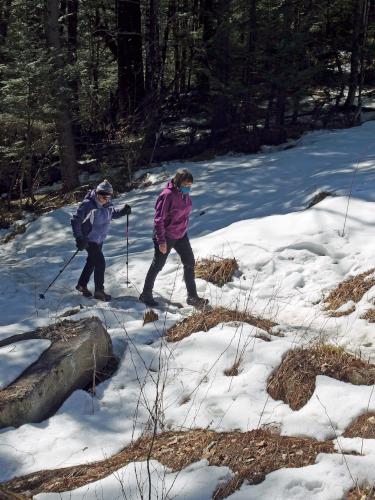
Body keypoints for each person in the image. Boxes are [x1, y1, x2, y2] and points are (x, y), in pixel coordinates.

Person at [140, 168, 208, 308]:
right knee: (158, 265)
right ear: (177, 182)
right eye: (185, 185)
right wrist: (161, 241)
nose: (188, 188)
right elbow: (158, 219)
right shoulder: (167, 195)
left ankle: (192, 297)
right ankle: (146, 294)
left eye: (190, 186)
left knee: (189, 262)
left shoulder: (185, 195)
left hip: (180, 234)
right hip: (165, 235)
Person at [71, 179, 131, 301]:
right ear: (97, 193)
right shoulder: (88, 205)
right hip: (88, 239)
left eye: (108, 196)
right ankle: (99, 291)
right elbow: (75, 221)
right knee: (100, 263)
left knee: (92, 262)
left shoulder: (108, 203)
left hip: (99, 239)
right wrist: (79, 238)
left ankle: (81, 285)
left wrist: (123, 211)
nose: (105, 199)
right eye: (103, 196)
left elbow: (112, 214)